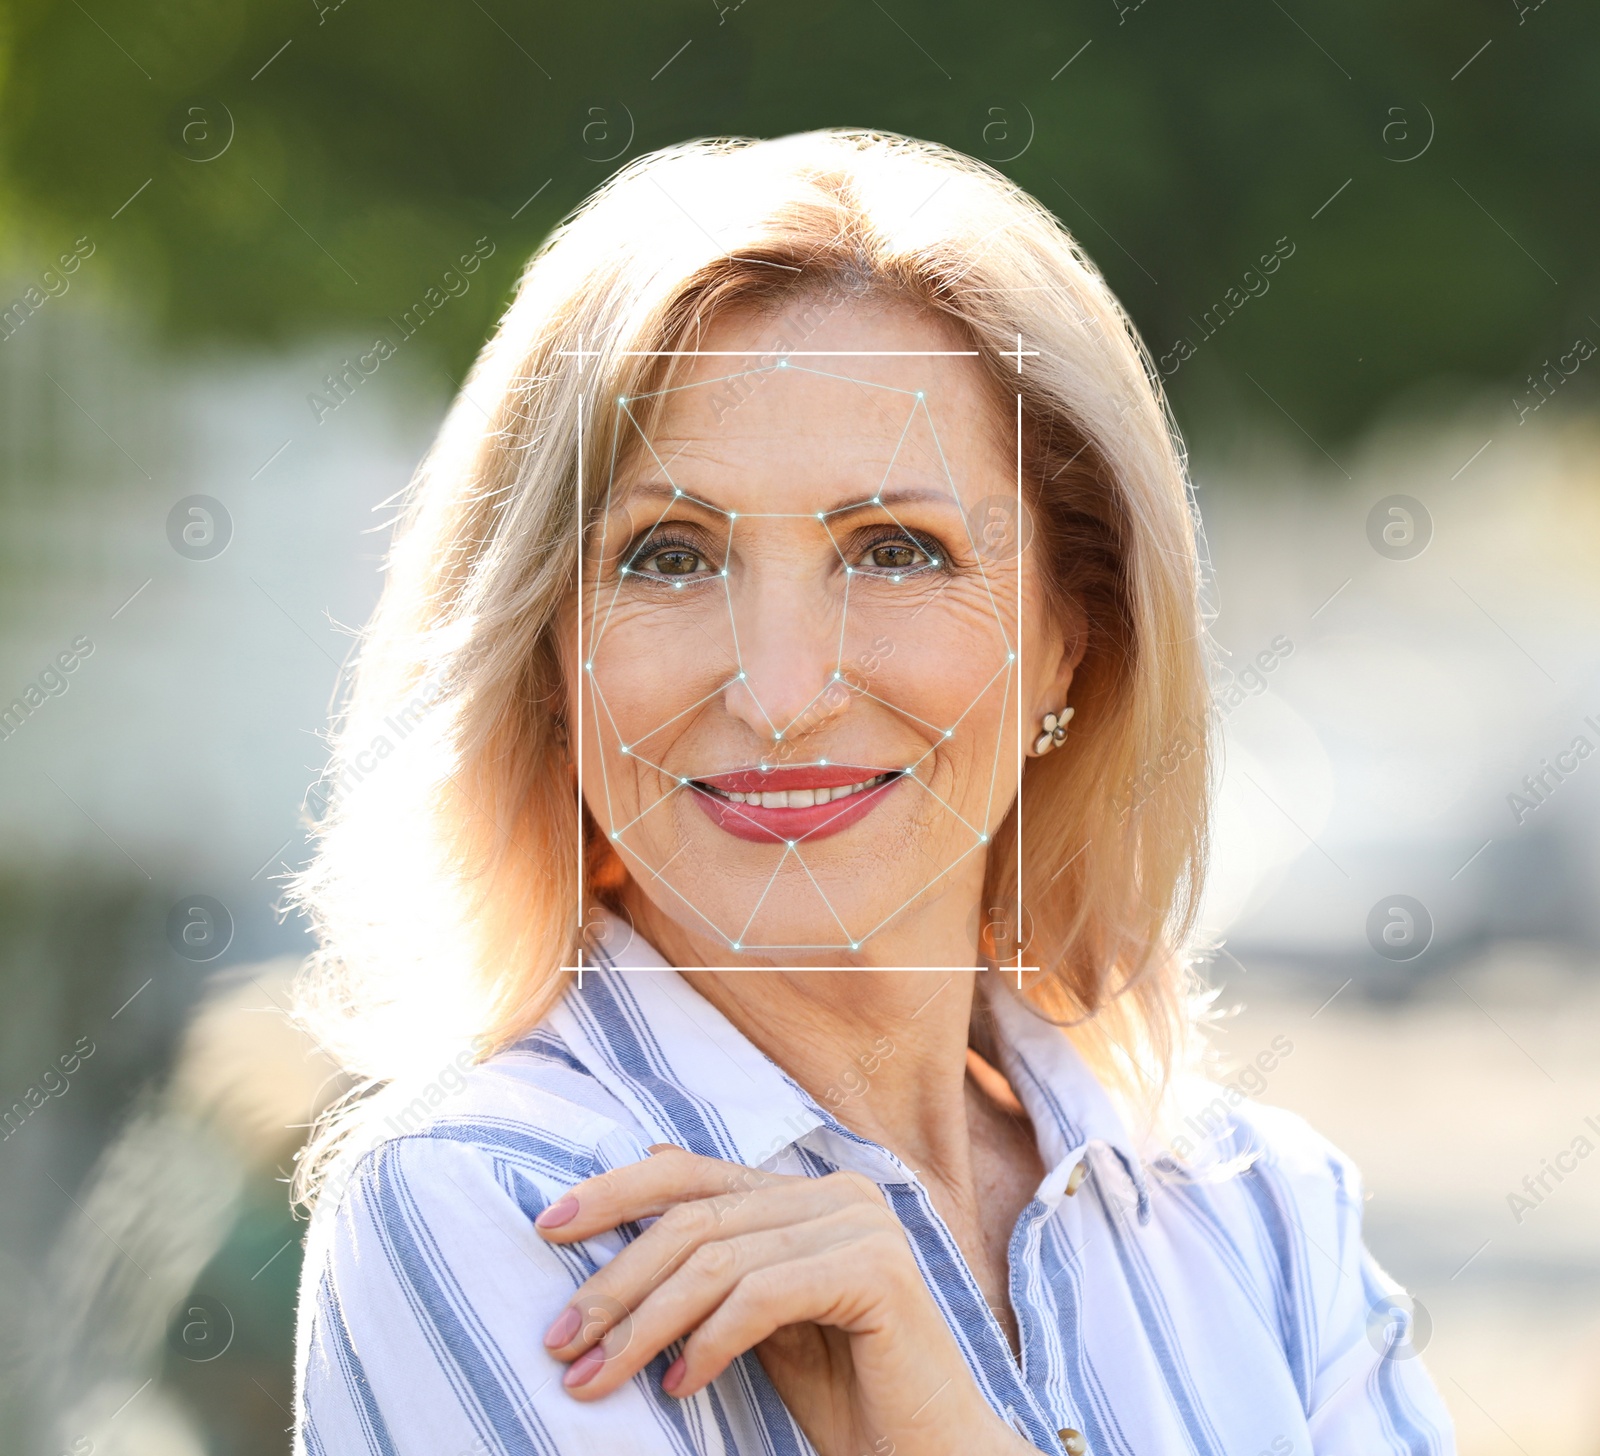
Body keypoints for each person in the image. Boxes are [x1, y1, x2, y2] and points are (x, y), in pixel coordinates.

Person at [290, 130, 1454, 1455]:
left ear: (1078, 633)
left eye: (894, 549)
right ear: (552, 654)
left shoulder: (1264, 1221)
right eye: (669, 555)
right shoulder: (491, 1211)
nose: (781, 694)